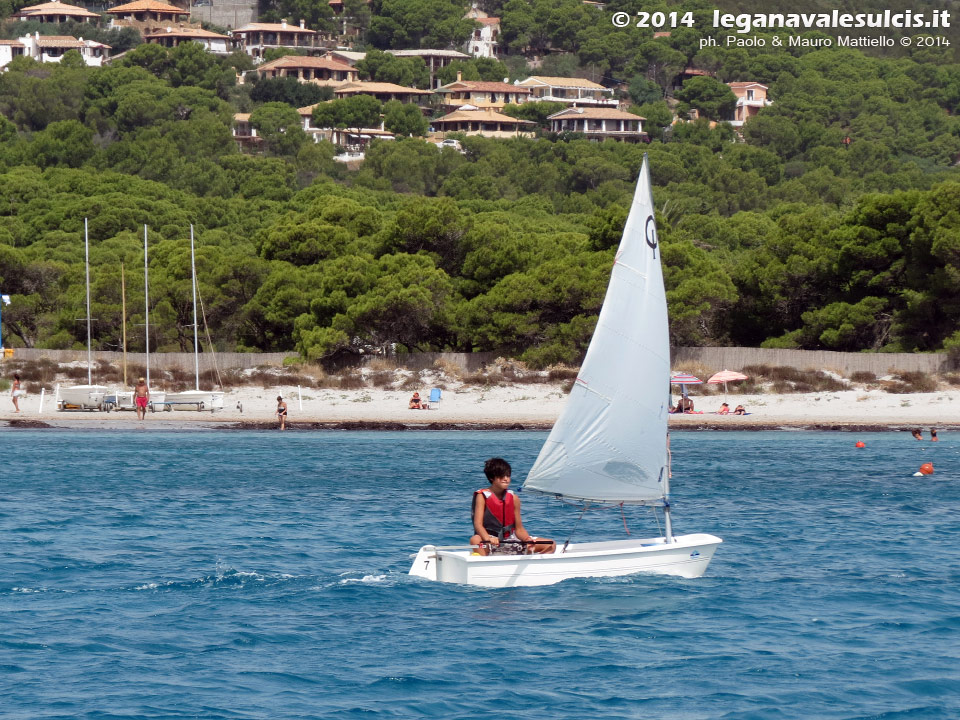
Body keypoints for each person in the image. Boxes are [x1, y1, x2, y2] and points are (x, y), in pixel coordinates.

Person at [470, 457, 555, 556]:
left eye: (508, 476)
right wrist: (488, 539)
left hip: (510, 540)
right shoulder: (482, 496)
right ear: (492, 478)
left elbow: (519, 529)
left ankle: (529, 566)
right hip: (489, 542)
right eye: (502, 476)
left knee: (551, 545)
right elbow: (478, 525)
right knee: (475, 540)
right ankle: (485, 566)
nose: (506, 479)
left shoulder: (514, 499)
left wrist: (527, 539)